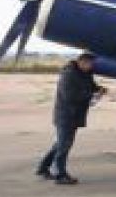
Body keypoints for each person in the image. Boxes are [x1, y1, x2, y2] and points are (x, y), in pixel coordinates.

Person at [36, 52, 106, 185]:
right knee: (64, 145)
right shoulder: (68, 74)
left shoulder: (85, 73)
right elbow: (70, 96)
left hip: (74, 115)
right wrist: (91, 95)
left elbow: (90, 86)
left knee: (60, 144)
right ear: (80, 61)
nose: (90, 66)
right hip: (65, 115)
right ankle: (60, 174)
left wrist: (99, 89)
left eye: (92, 64)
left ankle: (43, 168)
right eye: (88, 63)